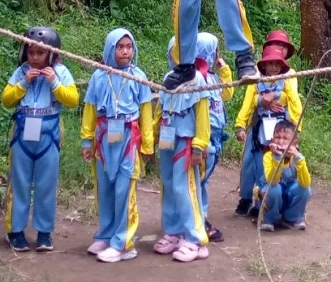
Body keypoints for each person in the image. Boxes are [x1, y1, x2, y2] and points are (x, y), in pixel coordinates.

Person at [2, 27, 79, 252]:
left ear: (51, 54)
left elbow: (73, 100)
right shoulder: (21, 72)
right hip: (23, 131)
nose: (35, 57)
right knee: (20, 182)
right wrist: (23, 83)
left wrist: (55, 83)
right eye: (31, 52)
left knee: (46, 183)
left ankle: (44, 233)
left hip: (50, 133)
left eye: (40, 53)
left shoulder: (61, 71)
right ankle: (16, 232)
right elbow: (6, 100)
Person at [80, 28, 154, 263]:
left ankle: (123, 243)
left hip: (128, 139)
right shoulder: (99, 76)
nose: (125, 51)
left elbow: (146, 112)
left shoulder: (138, 75)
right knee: (105, 188)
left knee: (124, 189)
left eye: (128, 47)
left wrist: (148, 145)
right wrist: (86, 140)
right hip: (103, 138)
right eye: (119, 47)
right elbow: (90, 109)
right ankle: (106, 233)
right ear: (110, 49)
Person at [153, 38, 211, 263]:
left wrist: (199, 145)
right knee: (168, 185)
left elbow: (203, 117)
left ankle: (195, 238)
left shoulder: (199, 80)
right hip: (167, 140)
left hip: (186, 141)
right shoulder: (169, 78)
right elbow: (160, 109)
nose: (178, 56)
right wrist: (152, 135)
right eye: (175, 51)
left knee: (185, 187)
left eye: (183, 51)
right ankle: (173, 231)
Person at [234, 43, 302, 218]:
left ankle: (265, 203)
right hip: (258, 129)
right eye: (270, 63)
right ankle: (245, 199)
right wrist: (240, 125)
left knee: (273, 164)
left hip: (279, 131)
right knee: (251, 164)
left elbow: (295, 103)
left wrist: (296, 128)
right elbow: (247, 104)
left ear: (282, 65)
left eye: (277, 64)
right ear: (263, 64)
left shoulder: (286, 81)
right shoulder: (255, 82)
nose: (273, 67)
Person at [194, 32, 234, 243]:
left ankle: (201, 216)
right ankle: (198, 220)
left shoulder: (213, 78)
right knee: (199, 180)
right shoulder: (196, 78)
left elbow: (227, 95)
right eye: (215, 50)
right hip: (204, 137)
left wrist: (224, 70)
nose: (217, 54)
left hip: (217, 137)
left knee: (204, 180)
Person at [258, 119, 312, 232]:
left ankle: (292, 218)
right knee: (274, 189)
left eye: (285, 138)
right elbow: (272, 181)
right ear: (272, 139)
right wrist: (277, 158)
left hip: (287, 194)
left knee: (305, 190)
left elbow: (306, 183)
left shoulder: (297, 158)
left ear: (295, 142)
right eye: (277, 137)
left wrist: (299, 158)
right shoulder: (268, 156)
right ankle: (269, 218)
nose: (281, 142)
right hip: (270, 195)